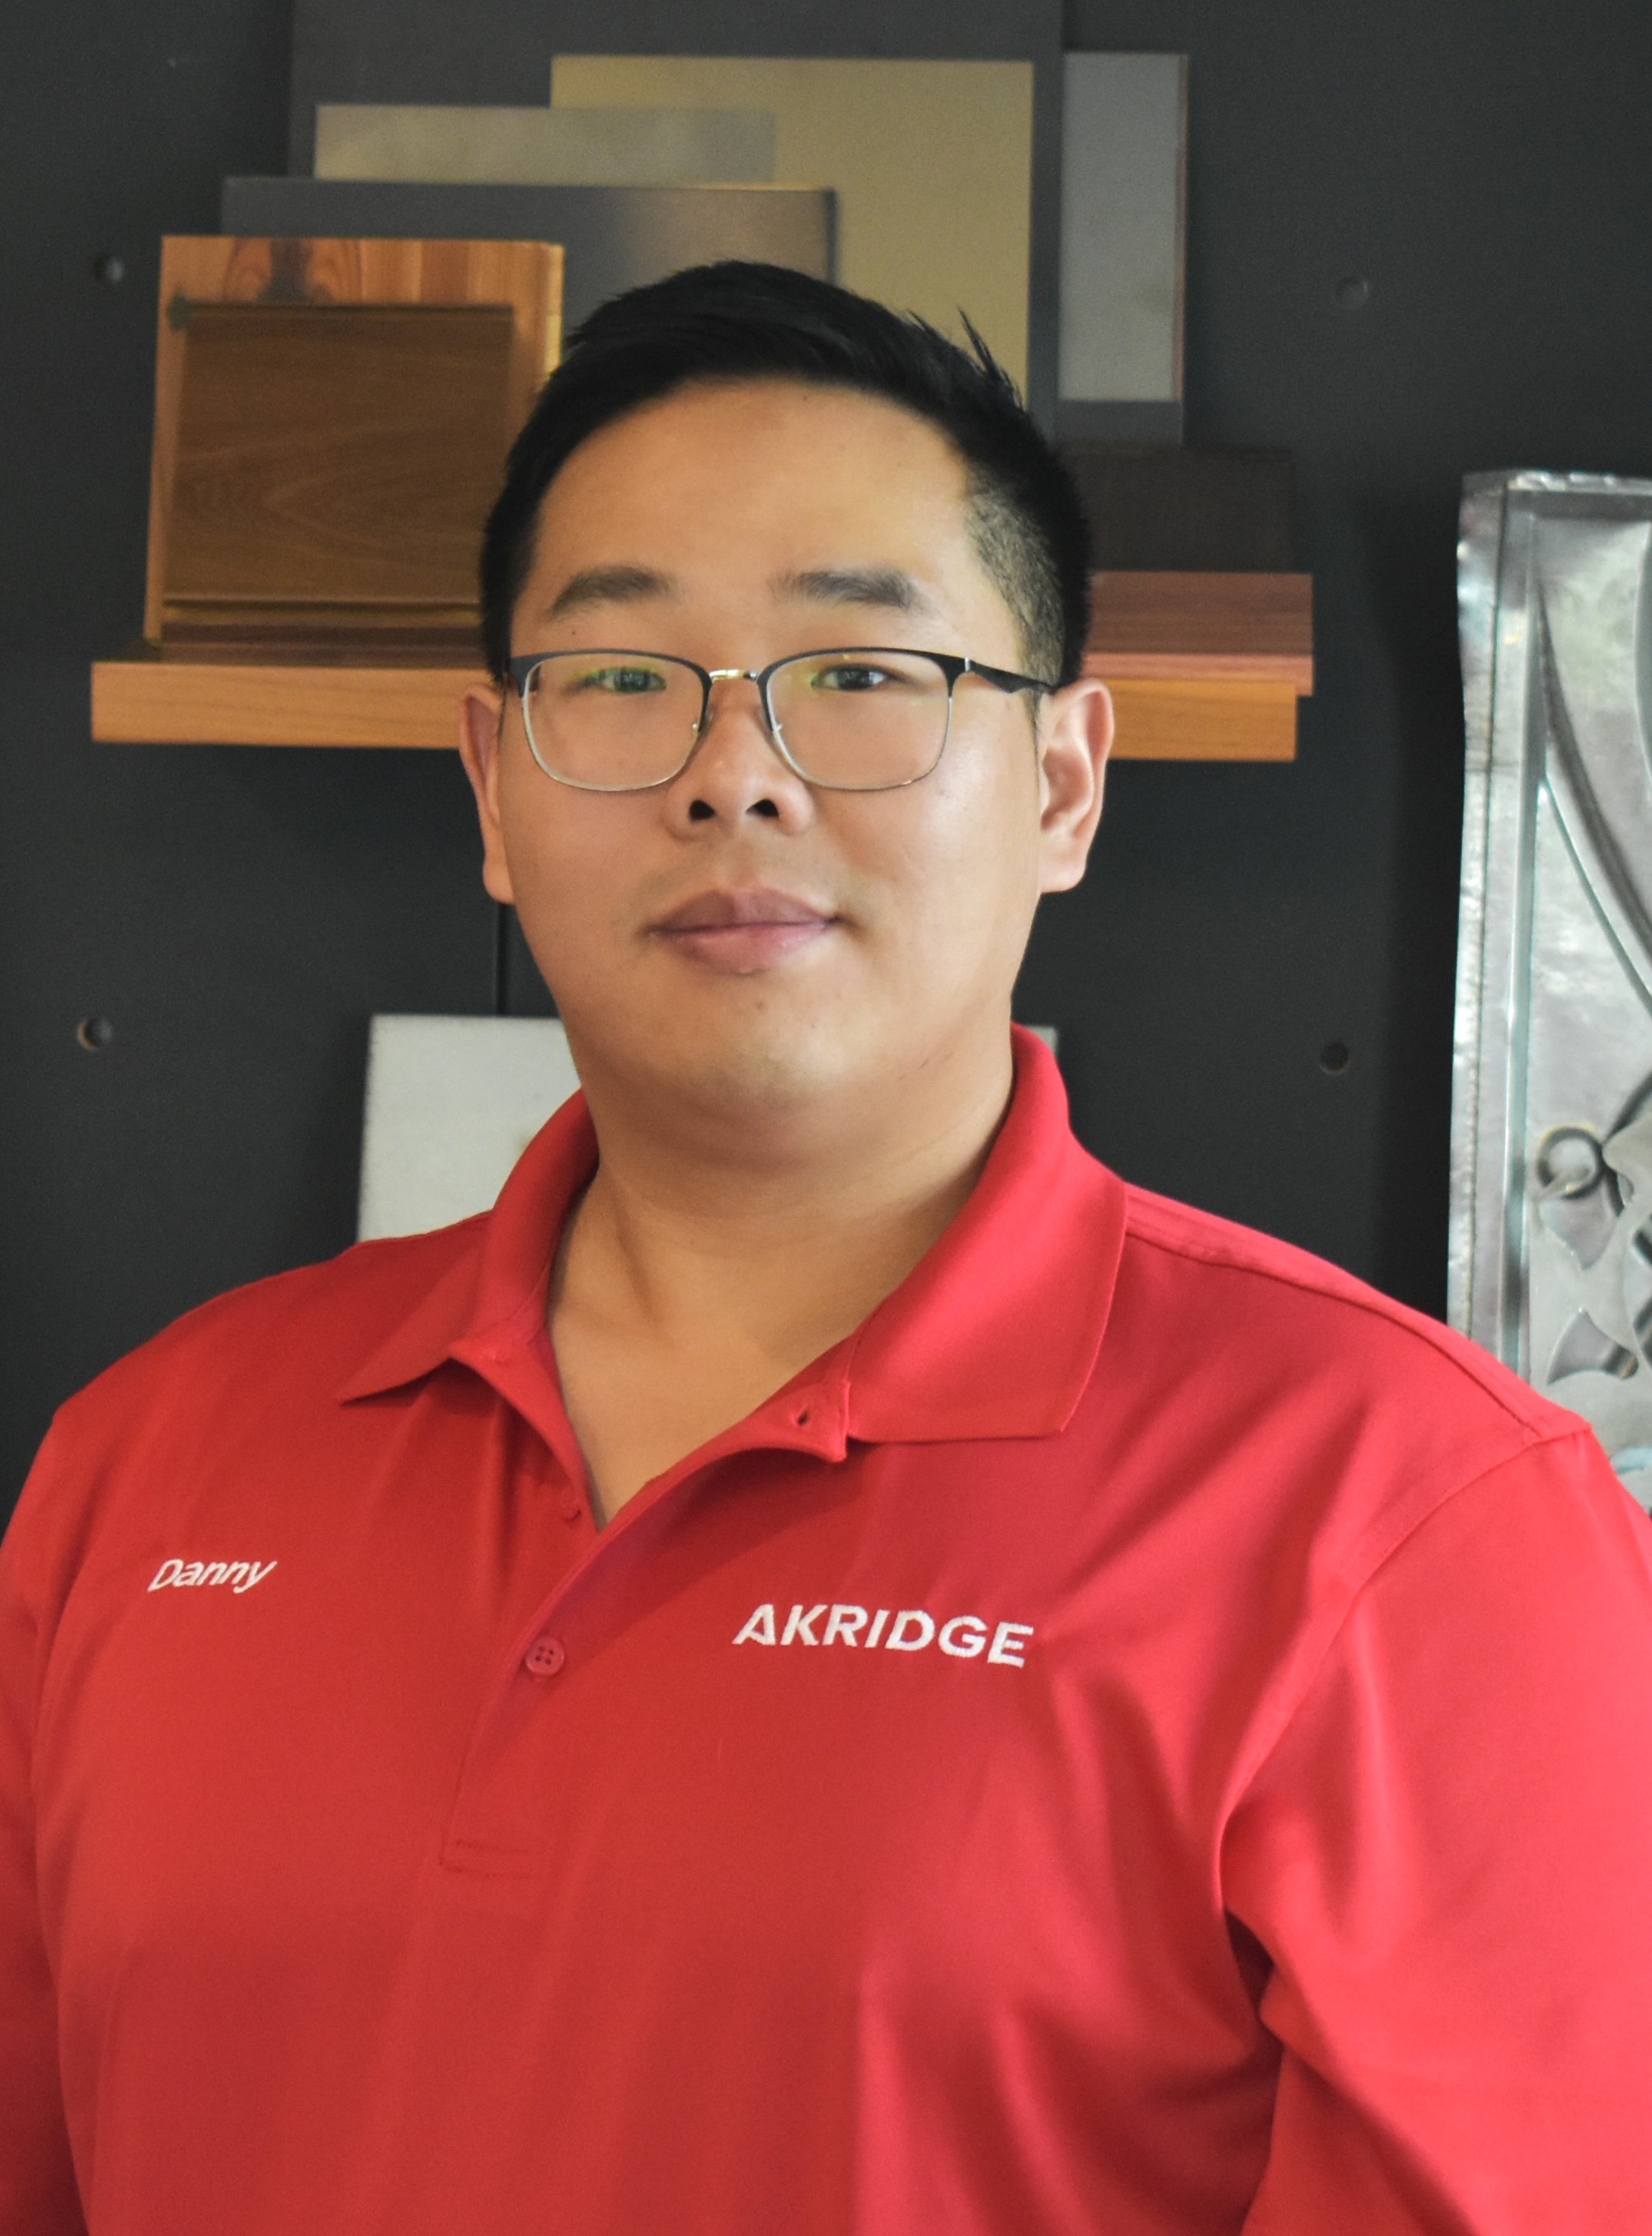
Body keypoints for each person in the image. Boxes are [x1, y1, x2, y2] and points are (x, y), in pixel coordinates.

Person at [2, 261, 1650, 2236]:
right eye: (623, 677)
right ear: (495, 792)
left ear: (1062, 784)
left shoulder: (1407, 1514)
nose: (736, 772)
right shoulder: (149, 1461)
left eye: (863, 673)